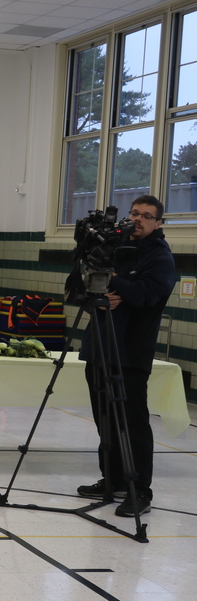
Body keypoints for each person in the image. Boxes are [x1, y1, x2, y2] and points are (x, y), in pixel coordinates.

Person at [77, 195, 175, 517]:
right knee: (104, 419)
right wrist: (99, 294)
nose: (138, 219)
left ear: (158, 223)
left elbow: (146, 295)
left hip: (131, 352)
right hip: (99, 348)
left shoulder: (160, 257)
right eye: (135, 213)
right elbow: (78, 287)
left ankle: (140, 490)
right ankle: (114, 478)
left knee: (132, 423)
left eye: (147, 216)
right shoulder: (110, 247)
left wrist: (111, 279)